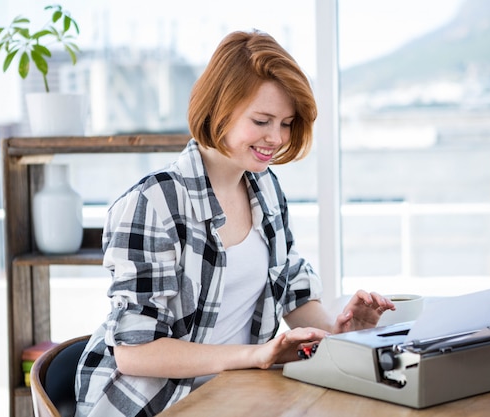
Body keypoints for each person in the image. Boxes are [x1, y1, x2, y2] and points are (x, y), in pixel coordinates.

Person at [74, 29, 395, 417]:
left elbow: (291, 288)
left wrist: (337, 332)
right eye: (262, 120)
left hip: (235, 395)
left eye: (287, 123)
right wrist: (256, 355)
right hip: (152, 405)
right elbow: (133, 352)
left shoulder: (265, 188)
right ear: (219, 110)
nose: (276, 138)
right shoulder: (154, 202)